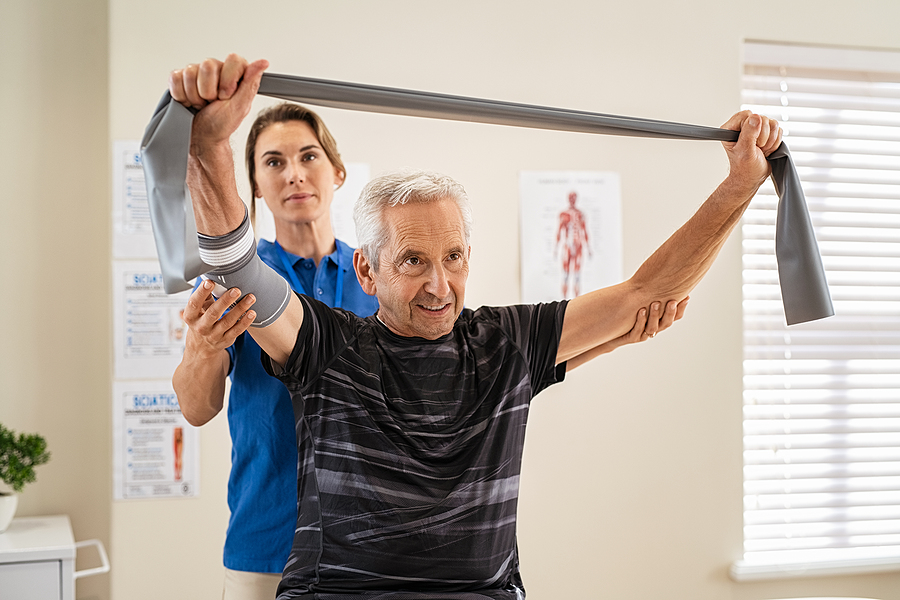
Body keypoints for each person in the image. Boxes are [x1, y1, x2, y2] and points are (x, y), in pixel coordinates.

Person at [169, 54, 776, 599]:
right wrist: (209, 146)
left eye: (454, 257)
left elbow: (649, 292)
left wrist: (741, 185)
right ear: (370, 270)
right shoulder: (329, 340)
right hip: (284, 545)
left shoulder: (503, 342)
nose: (439, 285)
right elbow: (236, 264)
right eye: (412, 261)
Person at [171, 100, 379, 599]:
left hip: (373, 542)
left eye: (308, 157)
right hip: (266, 543)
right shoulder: (230, 280)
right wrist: (201, 346)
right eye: (273, 162)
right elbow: (197, 409)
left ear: (338, 172)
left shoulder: (378, 277)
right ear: (256, 186)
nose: (294, 175)